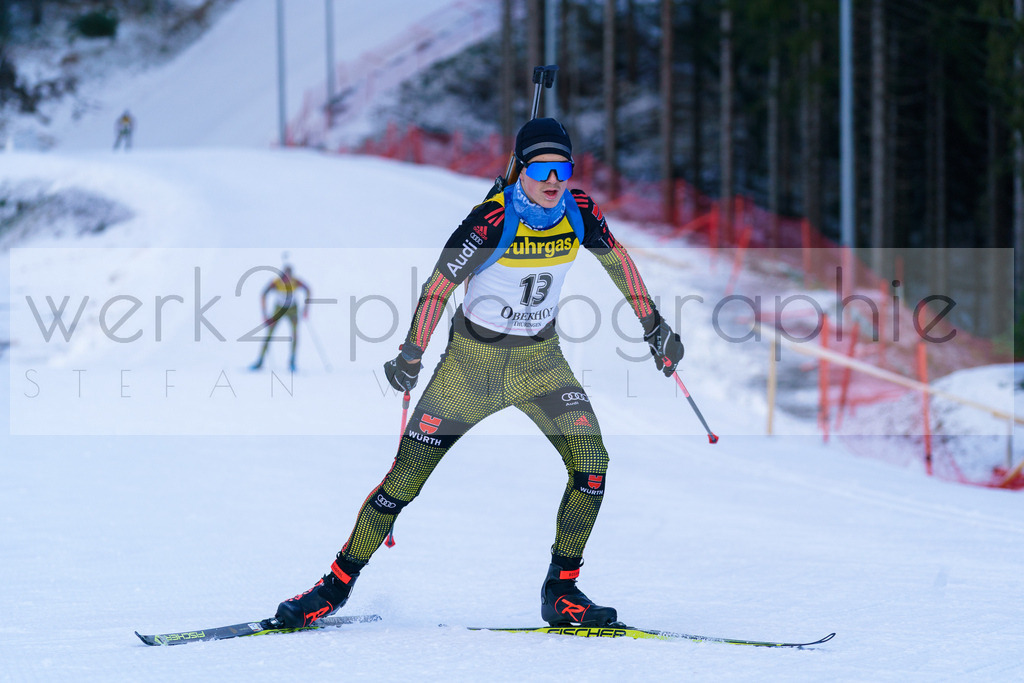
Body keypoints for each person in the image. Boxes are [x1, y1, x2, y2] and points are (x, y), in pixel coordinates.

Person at [275, 118, 684, 628]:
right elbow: (438, 286)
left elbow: (618, 261)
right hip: (471, 368)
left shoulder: (579, 211)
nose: (554, 180)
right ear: (520, 172)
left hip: (541, 364)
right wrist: (412, 353)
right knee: (402, 484)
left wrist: (654, 326)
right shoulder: (491, 220)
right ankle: (332, 588)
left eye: (563, 168)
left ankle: (562, 590)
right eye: (541, 169)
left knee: (592, 463)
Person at [250, 264, 311, 372]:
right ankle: (260, 361)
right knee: (269, 334)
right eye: (285, 276)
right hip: (279, 310)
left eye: (289, 276)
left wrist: (306, 309)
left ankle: (292, 362)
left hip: (292, 310)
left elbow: (308, 290)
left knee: (295, 335)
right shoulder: (277, 282)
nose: (287, 279)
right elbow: (263, 294)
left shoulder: (296, 281)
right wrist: (264, 314)